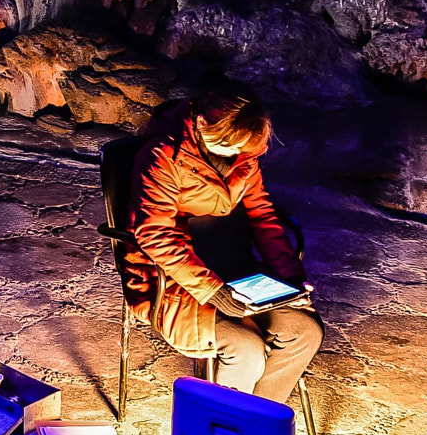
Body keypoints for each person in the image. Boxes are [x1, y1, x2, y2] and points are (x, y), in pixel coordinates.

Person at [118, 91, 322, 404]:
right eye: (231, 146)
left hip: (236, 270)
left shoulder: (242, 152)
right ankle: (223, 434)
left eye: (244, 148)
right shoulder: (163, 155)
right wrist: (214, 292)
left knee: (305, 332)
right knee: (245, 348)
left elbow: (263, 217)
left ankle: (256, 422)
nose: (238, 155)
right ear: (201, 124)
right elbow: (154, 233)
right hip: (172, 281)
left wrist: (289, 278)